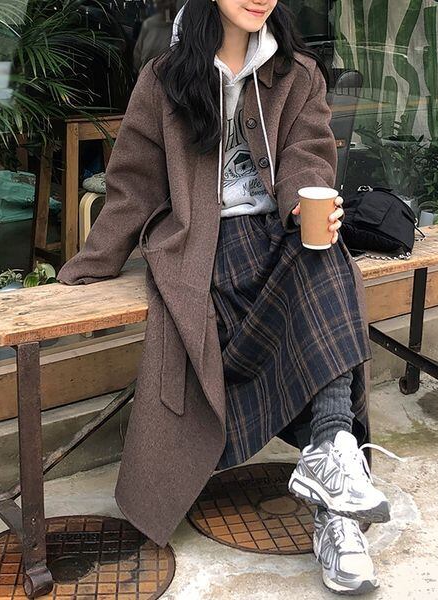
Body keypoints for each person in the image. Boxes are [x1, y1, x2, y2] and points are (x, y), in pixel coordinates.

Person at [57, 0, 399, 595]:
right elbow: (133, 183)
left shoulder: (296, 72)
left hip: (278, 233)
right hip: (204, 247)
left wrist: (304, 204)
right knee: (325, 280)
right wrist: (91, 264)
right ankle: (336, 477)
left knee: (326, 253)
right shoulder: (165, 77)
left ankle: (333, 467)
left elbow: (308, 153)